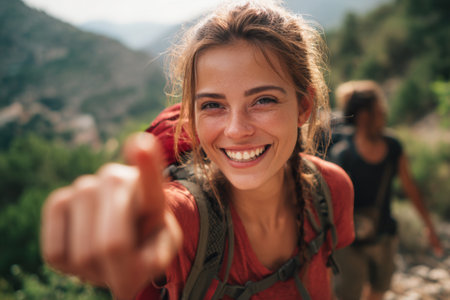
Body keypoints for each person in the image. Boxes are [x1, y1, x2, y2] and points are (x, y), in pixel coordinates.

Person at [40, 1, 355, 299]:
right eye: (213, 105)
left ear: (303, 106)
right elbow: (155, 220)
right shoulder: (186, 222)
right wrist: (118, 218)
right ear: (191, 116)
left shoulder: (331, 190)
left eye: (263, 100)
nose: (235, 129)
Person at [329, 80, 443, 300]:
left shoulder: (393, 146)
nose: (384, 115)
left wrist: (429, 226)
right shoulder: (342, 153)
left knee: (379, 289)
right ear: (363, 116)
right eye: (378, 111)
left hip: (384, 235)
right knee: (348, 294)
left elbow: (410, 188)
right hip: (349, 241)